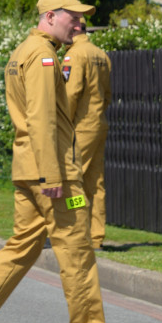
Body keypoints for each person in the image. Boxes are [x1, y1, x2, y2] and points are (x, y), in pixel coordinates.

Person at [0, 0, 134, 323]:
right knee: (77, 248)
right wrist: (53, 177)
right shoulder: (45, 57)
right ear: (49, 17)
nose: (79, 23)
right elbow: (43, 120)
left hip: (28, 169)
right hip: (53, 174)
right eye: (72, 16)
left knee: (22, 247)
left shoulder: (22, 53)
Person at [64, 18, 112, 250]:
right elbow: (109, 93)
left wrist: (62, 123)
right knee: (96, 183)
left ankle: (77, 233)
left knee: (74, 181)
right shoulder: (101, 54)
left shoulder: (74, 55)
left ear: (73, 29)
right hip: (99, 123)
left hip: (80, 126)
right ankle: (96, 237)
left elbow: (70, 94)